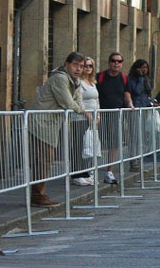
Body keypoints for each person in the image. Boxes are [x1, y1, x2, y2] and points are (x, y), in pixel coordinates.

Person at [28, 52, 87, 205]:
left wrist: (78, 107)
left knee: (46, 159)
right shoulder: (60, 78)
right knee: (44, 158)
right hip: (41, 122)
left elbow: (77, 102)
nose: (78, 69)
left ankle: (39, 193)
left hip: (51, 123)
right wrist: (82, 110)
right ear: (66, 64)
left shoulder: (76, 81)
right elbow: (69, 103)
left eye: (81, 66)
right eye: (75, 65)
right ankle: (37, 194)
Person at [96, 52, 134, 185]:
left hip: (116, 115)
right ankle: (91, 170)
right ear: (109, 62)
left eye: (119, 61)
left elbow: (127, 93)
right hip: (99, 115)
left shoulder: (124, 78)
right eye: (113, 61)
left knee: (114, 143)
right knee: (96, 143)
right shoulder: (100, 77)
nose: (116, 63)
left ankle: (109, 171)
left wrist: (130, 105)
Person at [75, 57, 100, 186]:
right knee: (79, 146)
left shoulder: (92, 82)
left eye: (90, 66)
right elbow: (78, 101)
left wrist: (98, 115)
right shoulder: (78, 82)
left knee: (90, 145)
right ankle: (77, 174)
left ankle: (87, 172)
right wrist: (88, 115)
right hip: (80, 118)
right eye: (85, 66)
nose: (88, 68)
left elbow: (96, 100)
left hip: (93, 118)